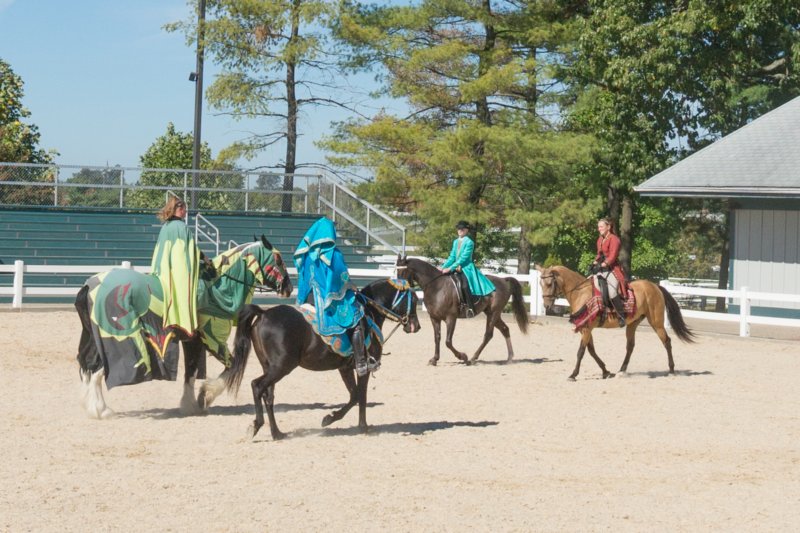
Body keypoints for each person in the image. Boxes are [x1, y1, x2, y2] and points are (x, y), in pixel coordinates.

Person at [293, 217, 376, 376]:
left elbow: (303, 279)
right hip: (327, 299)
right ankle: (360, 362)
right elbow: (341, 277)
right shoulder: (333, 254)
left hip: (310, 298)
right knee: (356, 317)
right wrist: (351, 286)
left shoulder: (307, 255)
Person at [150, 197, 201, 337]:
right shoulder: (181, 227)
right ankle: (184, 322)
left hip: (161, 269)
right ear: (181, 209)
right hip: (175, 270)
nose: (186, 213)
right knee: (184, 288)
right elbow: (186, 253)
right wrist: (203, 259)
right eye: (185, 210)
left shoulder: (166, 227)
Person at [439, 220, 496, 318]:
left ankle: (470, 308)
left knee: (465, 285)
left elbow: (463, 258)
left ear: (466, 230)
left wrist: (450, 268)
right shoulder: (456, 242)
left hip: (466, 267)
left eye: (462, 229)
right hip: (455, 266)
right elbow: (452, 256)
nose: (460, 230)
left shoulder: (469, 242)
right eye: (458, 229)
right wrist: (444, 267)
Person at [592, 217, 628, 327]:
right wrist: (595, 262)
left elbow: (612, 256)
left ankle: (622, 316)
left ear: (608, 227)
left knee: (612, 292)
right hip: (602, 268)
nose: (599, 229)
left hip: (612, 269)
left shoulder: (614, 239)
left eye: (601, 226)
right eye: (598, 227)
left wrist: (604, 264)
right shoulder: (600, 239)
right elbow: (599, 254)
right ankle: (601, 312)